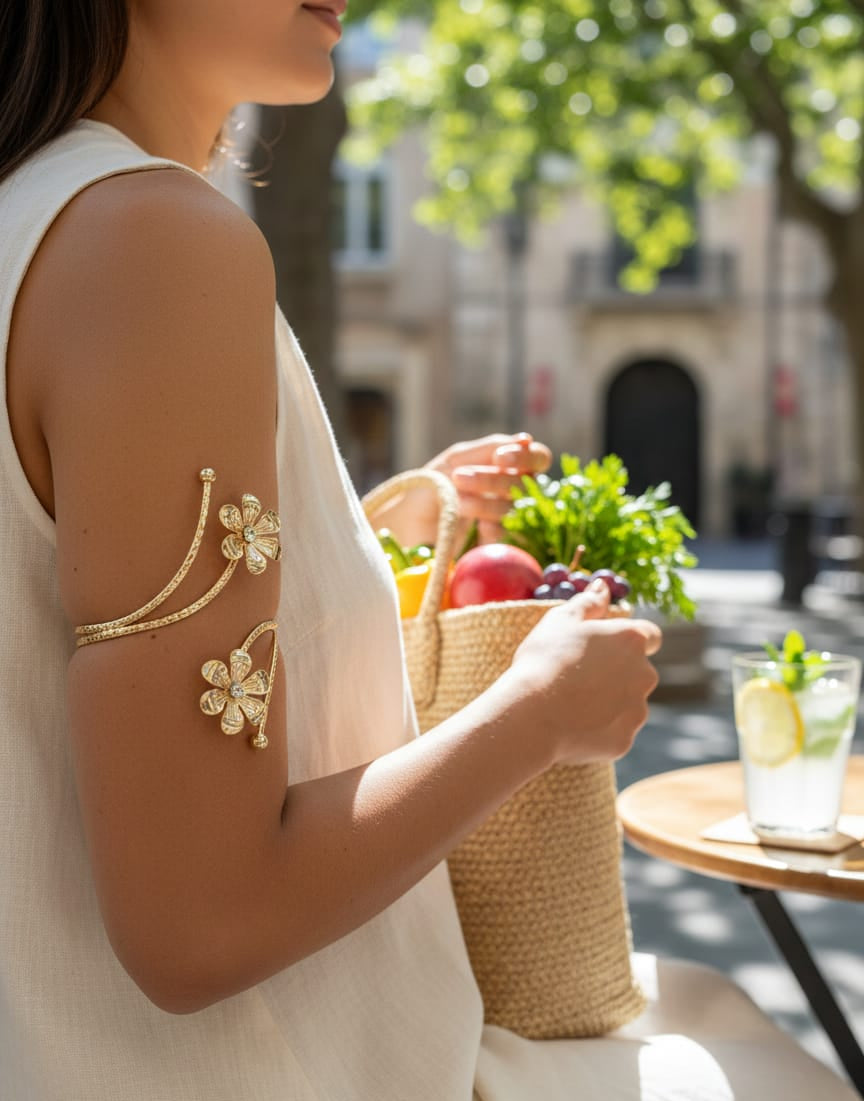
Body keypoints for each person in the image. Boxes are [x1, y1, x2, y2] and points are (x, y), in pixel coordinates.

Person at [0, 2, 858, 1099]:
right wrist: (537, 714)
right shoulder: (149, 241)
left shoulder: (41, 218)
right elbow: (201, 921)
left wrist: (375, 517)